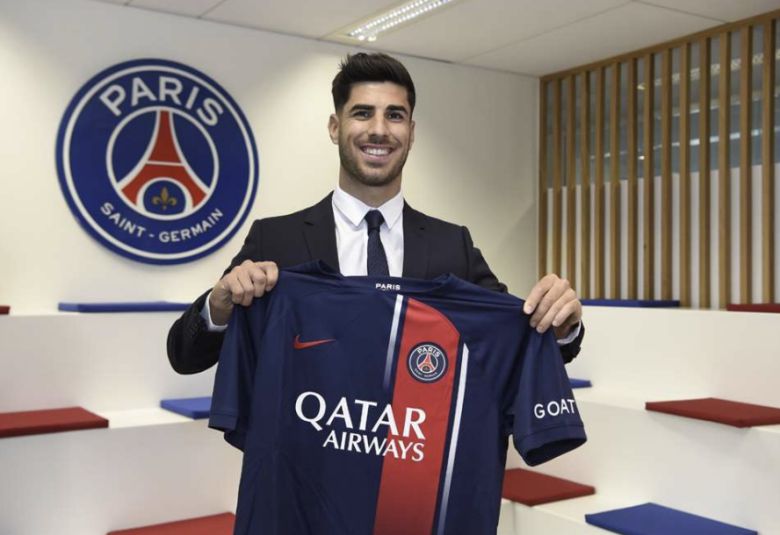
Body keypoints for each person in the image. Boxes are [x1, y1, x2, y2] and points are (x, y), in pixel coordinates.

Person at [167, 52, 583, 375]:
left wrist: (562, 322)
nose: (379, 130)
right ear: (335, 127)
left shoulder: (452, 245)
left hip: (415, 455)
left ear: (411, 133)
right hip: (302, 456)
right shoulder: (275, 239)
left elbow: (516, 336)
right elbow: (184, 356)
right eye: (362, 113)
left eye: (395, 115)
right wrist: (219, 305)